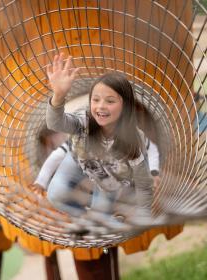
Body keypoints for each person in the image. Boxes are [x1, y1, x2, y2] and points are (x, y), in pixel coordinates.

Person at [45, 53, 166, 229]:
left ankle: (100, 220)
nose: (100, 106)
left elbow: (143, 183)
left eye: (110, 101)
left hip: (109, 177)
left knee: (101, 211)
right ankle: (89, 219)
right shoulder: (84, 120)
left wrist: (144, 214)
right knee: (55, 194)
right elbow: (55, 122)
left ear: (124, 107)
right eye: (96, 100)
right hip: (80, 160)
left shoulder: (133, 140)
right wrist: (58, 95)